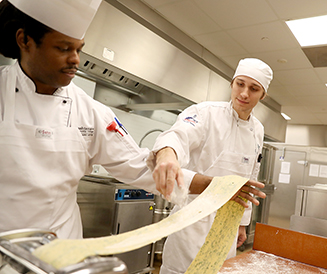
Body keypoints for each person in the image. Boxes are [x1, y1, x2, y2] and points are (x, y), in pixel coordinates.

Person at [0, 0, 261, 240]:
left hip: (59, 250)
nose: (75, 60)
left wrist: (218, 186)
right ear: (25, 40)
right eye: (63, 48)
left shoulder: (90, 112)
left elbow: (140, 167)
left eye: (79, 49)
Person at [156, 58, 273, 274]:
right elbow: (177, 136)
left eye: (254, 88)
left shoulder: (258, 130)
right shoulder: (206, 113)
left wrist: (242, 223)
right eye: (240, 84)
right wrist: (168, 153)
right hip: (191, 222)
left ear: (262, 95)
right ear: (232, 84)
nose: (244, 93)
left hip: (226, 226)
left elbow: (250, 177)